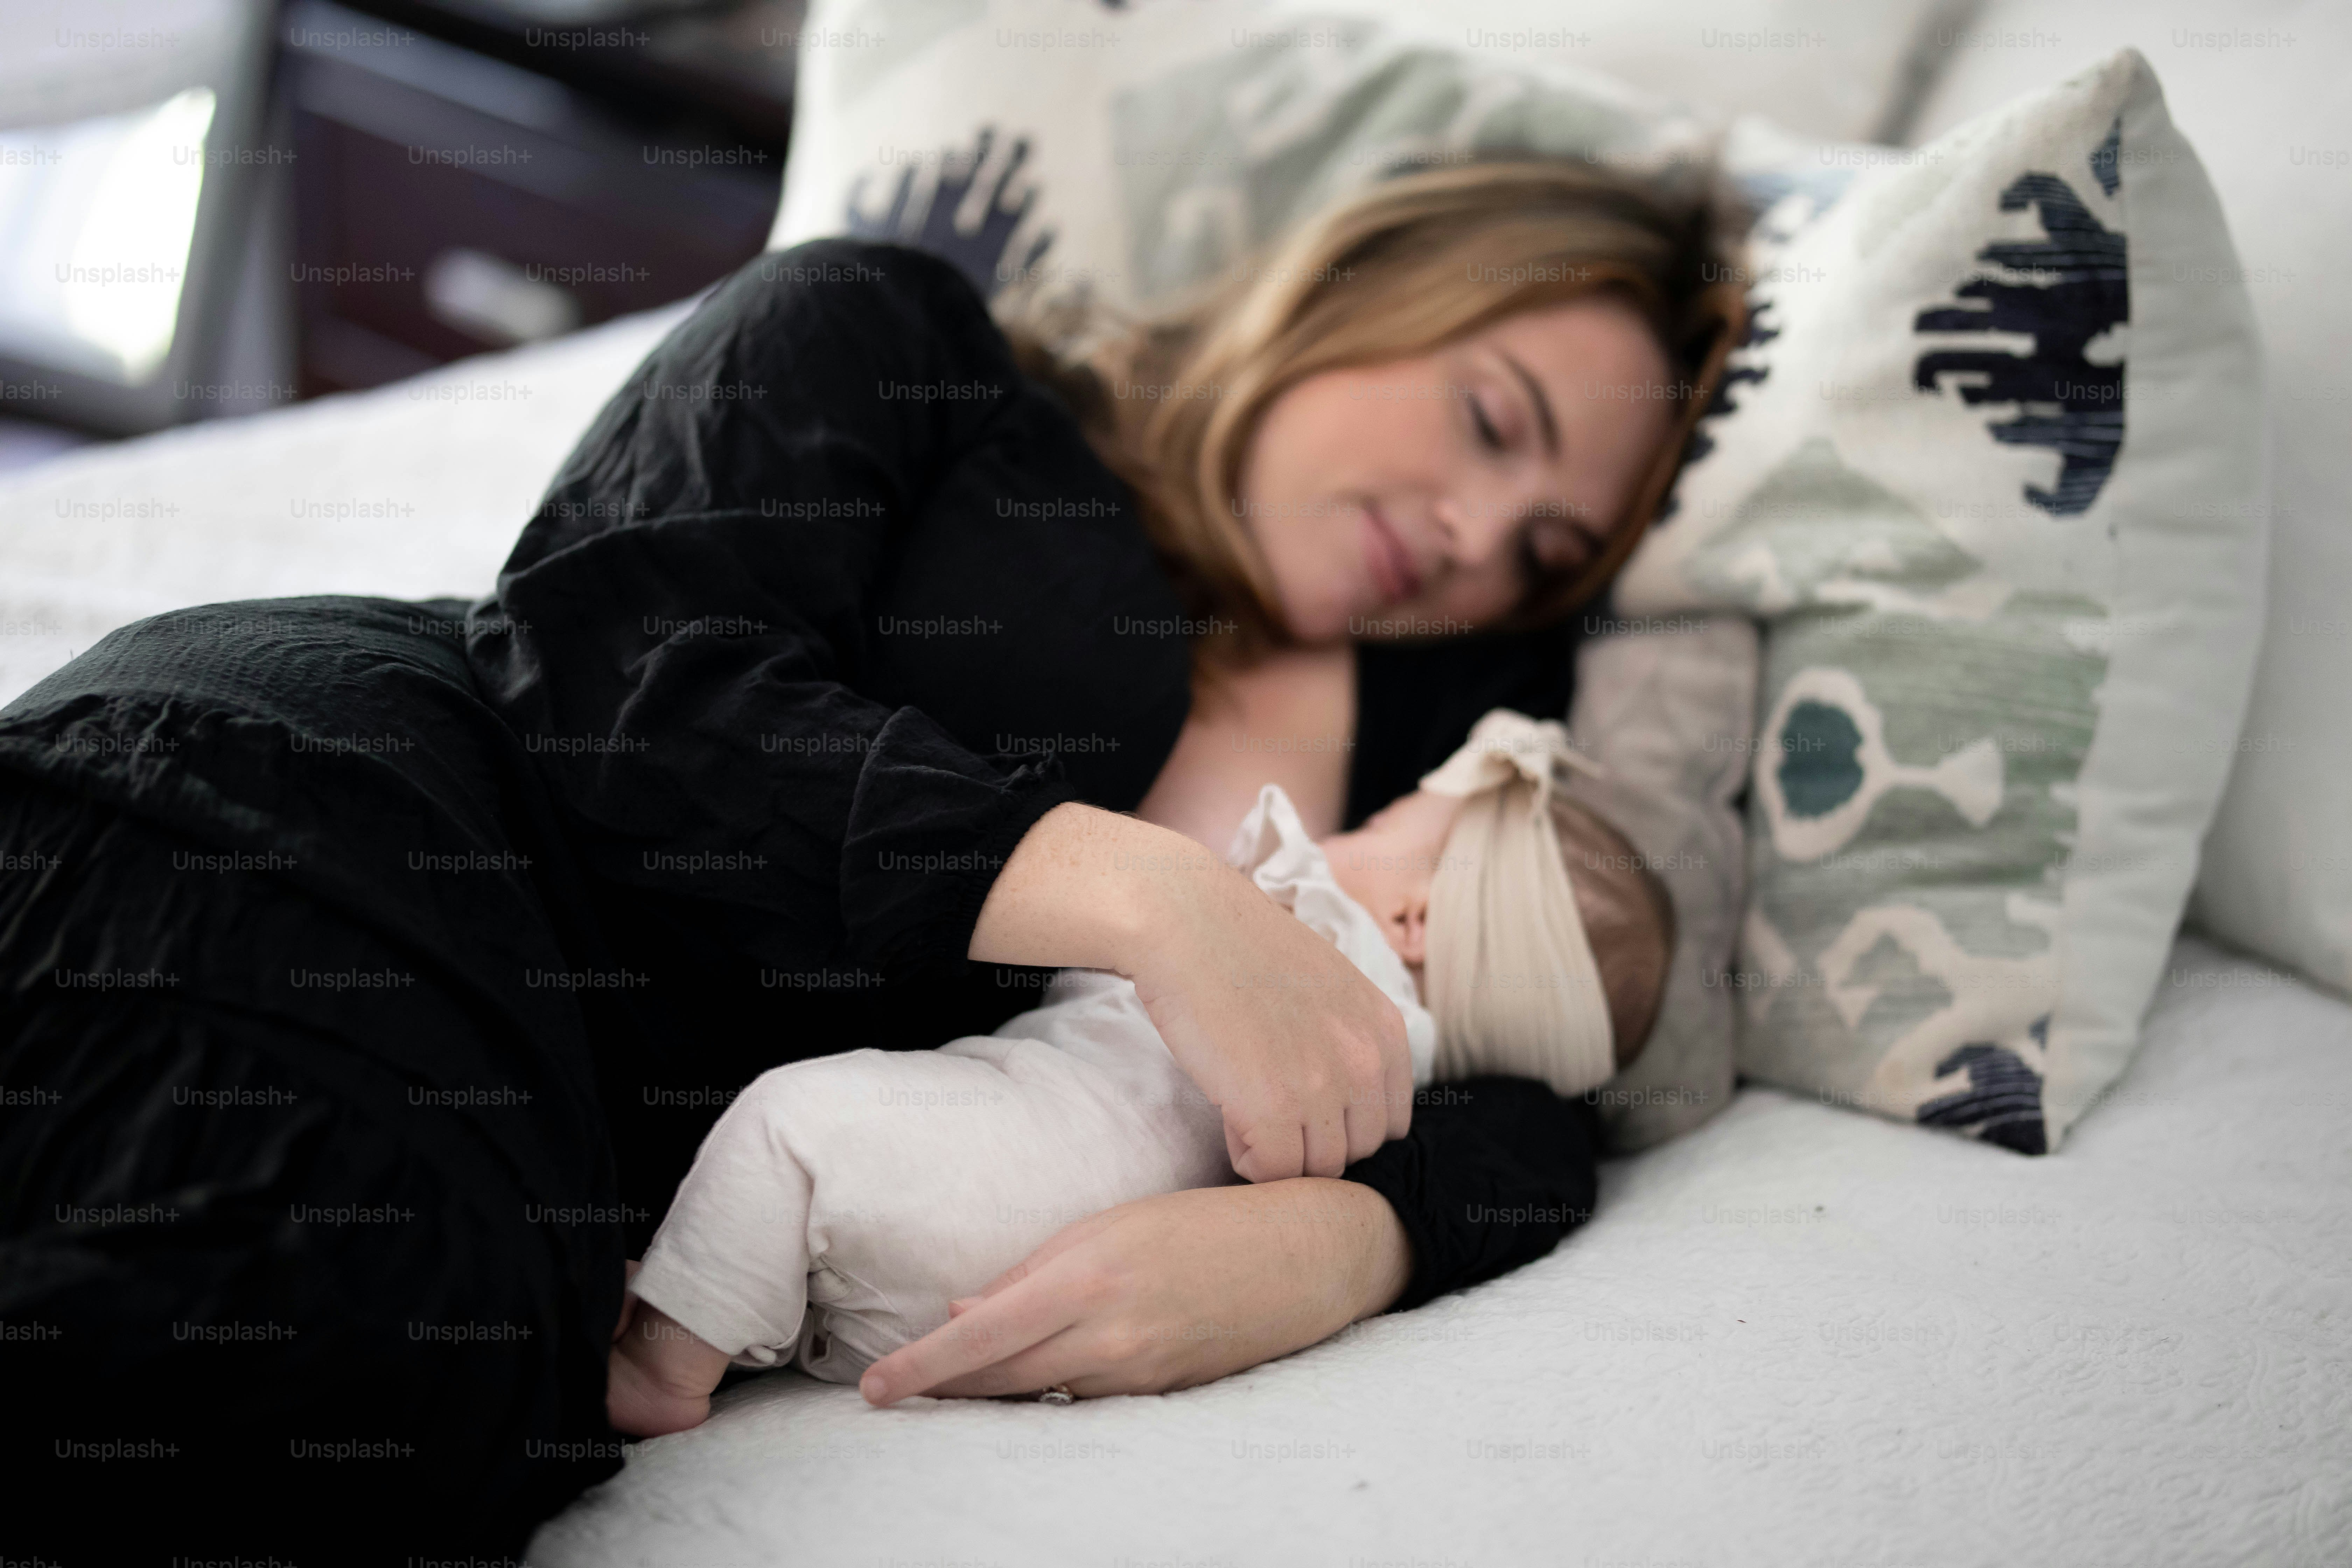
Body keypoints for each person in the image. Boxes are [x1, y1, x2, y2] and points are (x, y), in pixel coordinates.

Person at [0, 161, 1740, 1553]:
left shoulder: (1437, 753)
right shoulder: (902, 344)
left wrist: (1343, 1244)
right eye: (1492, 421)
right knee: (272, 1337)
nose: (1470, 538)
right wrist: (1153, 896)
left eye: (1543, 549)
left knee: (381, 1426)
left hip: (557, 1131)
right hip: (341, 824)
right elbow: (618, 673)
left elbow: (1544, 1070)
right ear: (1361, 289)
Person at [606, 710, 1675, 1437]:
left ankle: (661, 1367)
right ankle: (752, 1315)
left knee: (791, 1127)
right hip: (1032, 1303)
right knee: (837, 1206)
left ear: (1414, 917)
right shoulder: (1410, 1095)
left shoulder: (1308, 921)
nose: (1359, 826)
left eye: (1390, 825)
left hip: (991, 1160)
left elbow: (1206, 867)